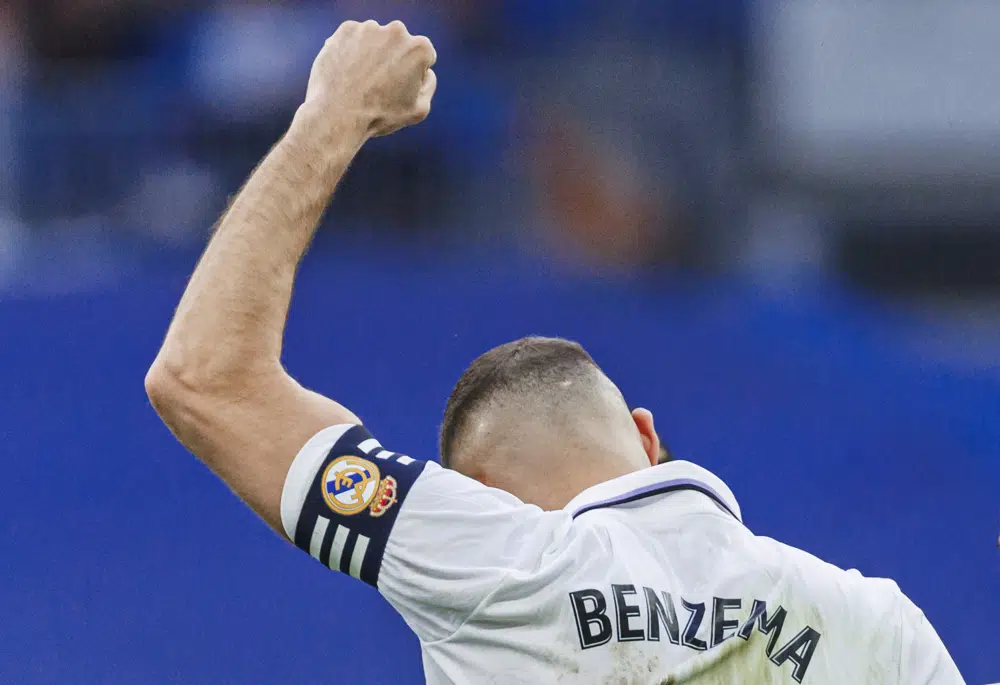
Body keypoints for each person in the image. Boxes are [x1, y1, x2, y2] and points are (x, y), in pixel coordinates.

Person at [145, 20, 965, 685]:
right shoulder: (876, 622)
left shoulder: (493, 556)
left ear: (481, 494)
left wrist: (333, 112)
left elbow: (202, 376)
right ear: (646, 438)